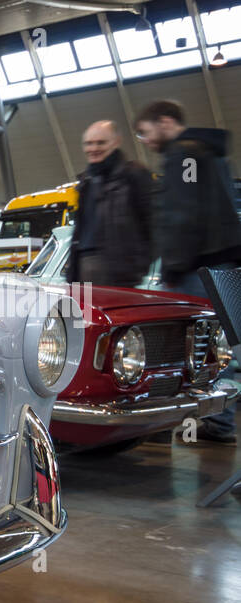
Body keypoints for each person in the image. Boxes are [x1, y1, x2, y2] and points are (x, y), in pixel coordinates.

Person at [136, 100, 241, 443]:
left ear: (165, 122)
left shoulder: (186, 156)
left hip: (197, 269)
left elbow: (184, 212)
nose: (146, 141)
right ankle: (219, 420)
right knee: (218, 346)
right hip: (219, 264)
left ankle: (167, 421)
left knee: (190, 348)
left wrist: (173, 267)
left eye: (146, 132)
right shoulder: (207, 153)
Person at [65, 120, 153, 288]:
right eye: (89, 143)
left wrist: (136, 267)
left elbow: (153, 224)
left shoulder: (134, 175)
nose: (93, 148)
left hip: (117, 274)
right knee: (80, 315)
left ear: (116, 142)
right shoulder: (85, 182)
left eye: (101, 143)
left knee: (114, 315)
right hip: (80, 271)